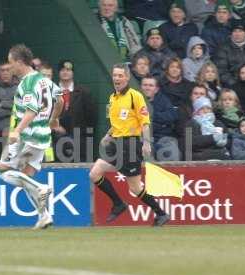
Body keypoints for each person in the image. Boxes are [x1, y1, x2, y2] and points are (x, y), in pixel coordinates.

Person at [89, 64, 170, 226]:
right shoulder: (112, 98)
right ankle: (119, 204)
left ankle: (160, 213)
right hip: (115, 144)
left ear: (126, 78)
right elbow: (117, 123)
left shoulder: (135, 96)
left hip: (130, 145)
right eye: (115, 75)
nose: (117, 78)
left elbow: (145, 122)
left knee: (135, 187)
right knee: (94, 173)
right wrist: (107, 135)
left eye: (120, 75)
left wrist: (146, 143)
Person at [0, 44, 63, 230]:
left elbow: (31, 111)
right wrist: (54, 119)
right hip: (43, 137)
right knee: (26, 177)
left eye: (11, 63)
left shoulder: (27, 83)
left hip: (27, 134)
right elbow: (61, 100)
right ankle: (44, 216)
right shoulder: (45, 80)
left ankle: (41, 188)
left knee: (2, 171)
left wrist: (17, 130)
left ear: (19, 62)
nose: (10, 68)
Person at [56, 59, 96, 162]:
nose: (65, 72)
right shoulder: (51, 91)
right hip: (56, 139)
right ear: (59, 72)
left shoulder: (83, 92)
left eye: (68, 70)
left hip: (79, 141)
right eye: (63, 70)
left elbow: (91, 118)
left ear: (73, 73)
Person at [141, 76, 180, 161]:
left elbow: (172, 116)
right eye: (145, 85)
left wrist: (152, 115)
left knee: (171, 149)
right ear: (140, 87)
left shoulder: (162, 100)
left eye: (151, 85)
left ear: (156, 89)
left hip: (162, 138)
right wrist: (161, 124)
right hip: (140, 138)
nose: (147, 88)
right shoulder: (133, 100)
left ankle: (171, 174)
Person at [185, 96, 230, 160]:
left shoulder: (218, 123)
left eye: (208, 108)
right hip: (199, 155)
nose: (206, 111)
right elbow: (189, 143)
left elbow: (228, 140)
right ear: (196, 111)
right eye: (202, 108)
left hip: (218, 153)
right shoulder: (190, 124)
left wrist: (224, 141)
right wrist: (212, 138)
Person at [215, 19, 245, 87]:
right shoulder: (223, 48)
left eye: (240, 31)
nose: (237, 34)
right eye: (234, 31)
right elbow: (221, 70)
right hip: (231, 85)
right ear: (231, 33)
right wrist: (234, 84)